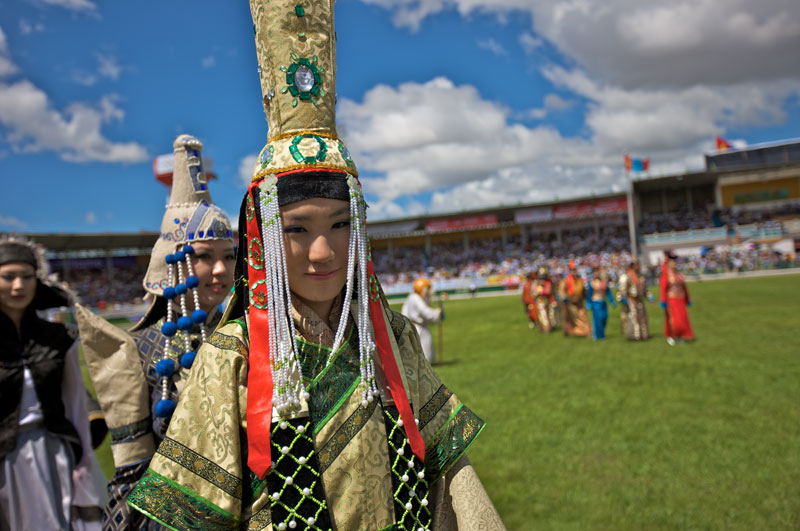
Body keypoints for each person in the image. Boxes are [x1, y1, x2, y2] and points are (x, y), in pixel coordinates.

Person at [126, 2, 504, 529]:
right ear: (261, 240)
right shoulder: (232, 361)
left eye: (340, 225)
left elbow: (450, 482)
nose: (323, 253)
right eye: (297, 230)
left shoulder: (392, 338)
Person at [75, 134, 235, 530]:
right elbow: (131, 468)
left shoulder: (242, 333)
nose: (221, 270)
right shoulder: (137, 349)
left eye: (229, 257)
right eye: (205, 257)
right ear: (176, 262)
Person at [0, 237, 107, 531]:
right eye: (8, 277)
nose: (18, 286)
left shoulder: (59, 339)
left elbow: (74, 405)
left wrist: (83, 460)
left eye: (26, 276)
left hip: (55, 451)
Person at [402, 277, 444, 363]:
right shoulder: (415, 298)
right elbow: (426, 312)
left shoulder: (413, 297)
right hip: (418, 327)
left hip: (414, 326)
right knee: (425, 350)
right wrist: (437, 313)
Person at [660, 250, 694, 345]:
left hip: (680, 300)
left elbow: (684, 288)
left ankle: (680, 335)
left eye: (675, 262)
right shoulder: (666, 276)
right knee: (673, 319)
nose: (675, 264)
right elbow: (663, 289)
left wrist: (688, 299)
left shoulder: (679, 276)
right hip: (671, 300)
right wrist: (663, 300)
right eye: (673, 262)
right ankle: (671, 335)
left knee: (682, 319)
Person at [616, 260, 651, 341]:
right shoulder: (626, 276)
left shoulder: (640, 277)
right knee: (633, 317)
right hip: (631, 299)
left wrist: (649, 296)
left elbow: (645, 289)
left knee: (642, 317)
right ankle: (635, 335)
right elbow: (622, 289)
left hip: (639, 300)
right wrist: (622, 298)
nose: (638, 267)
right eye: (635, 265)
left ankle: (643, 335)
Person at [558, 261, 590, 337]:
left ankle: (587, 332)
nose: (573, 272)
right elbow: (561, 290)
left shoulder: (579, 280)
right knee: (573, 318)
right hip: (570, 302)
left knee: (583, 316)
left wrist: (587, 298)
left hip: (579, 302)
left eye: (574, 270)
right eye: (571, 270)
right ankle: (575, 332)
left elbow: (584, 291)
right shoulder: (566, 280)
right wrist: (564, 297)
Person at [586, 266, 616, 340]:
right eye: (595, 271)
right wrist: (589, 303)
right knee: (598, 319)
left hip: (603, 302)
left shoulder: (603, 281)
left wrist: (612, 301)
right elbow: (589, 293)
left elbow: (608, 291)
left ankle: (601, 333)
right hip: (596, 302)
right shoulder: (592, 282)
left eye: (597, 271)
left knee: (604, 318)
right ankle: (598, 335)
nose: (596, 273)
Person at [533, 266, 556, 333]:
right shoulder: (537, 282)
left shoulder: (548, 282)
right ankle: (544, 328)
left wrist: (540, 292)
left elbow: (548, 292)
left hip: (546, 300)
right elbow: (533, 293)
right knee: (542, 315)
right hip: (539, 302)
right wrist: (536, 292)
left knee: (549, 315)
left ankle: (548, 328)